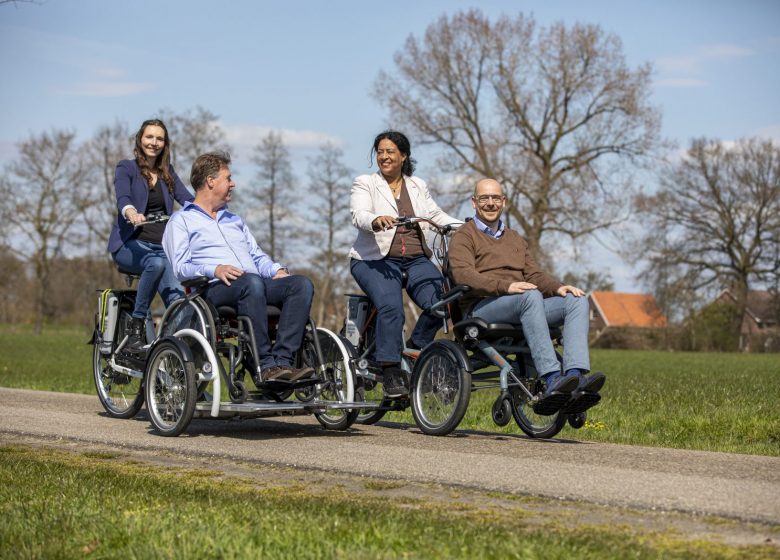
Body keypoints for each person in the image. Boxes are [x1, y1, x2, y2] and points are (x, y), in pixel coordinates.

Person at [448, 178, 606, 415]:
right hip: (481, 308)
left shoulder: (515, 238)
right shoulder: (464, 236)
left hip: (521, 303)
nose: (490, 203)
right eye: (484, 198)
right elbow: (464, 276)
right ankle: (552, 377)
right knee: (530, 296)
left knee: (577, 300)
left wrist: (558, 288)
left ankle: (573, 377)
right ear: (474, 202)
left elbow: (533, 274)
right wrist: (506, 287)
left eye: (495, 198)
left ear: (504, 202)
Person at [163, 151, 314, 384]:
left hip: (252, 283)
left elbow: (256, 255)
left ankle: (283, 363)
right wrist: (214, 269)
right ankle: (265, 366)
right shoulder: (181, 220)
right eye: (228, 178)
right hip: (212, 289)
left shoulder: (234, 220)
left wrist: (275, 271)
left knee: (300, 285)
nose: (233, 183)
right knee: (250, 283)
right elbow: (181, 267)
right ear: (210, 181)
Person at [349, 130, 461, 397]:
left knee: (444, 302)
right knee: (392, 307)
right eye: (380, 151)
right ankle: (390, 371)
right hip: (375, 260)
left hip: (415, 260)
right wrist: (375, 220)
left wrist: (464, 228)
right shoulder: (365, 183)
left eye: (390, 152)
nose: (384, 156)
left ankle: (415, 347)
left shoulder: (417, 185)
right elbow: (359, 213)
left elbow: (433, 214)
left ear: (403, 156)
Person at [108, 119, 194, 353]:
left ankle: (164, 354)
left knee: (181, 305)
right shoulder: (126, 168)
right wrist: (131, 212)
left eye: (159, 138)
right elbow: (123, 197)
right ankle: (135, 328)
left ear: (165, 144)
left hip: (161, 249)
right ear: (140, 139)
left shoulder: (168, 173)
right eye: (149, 137)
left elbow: (187, 200)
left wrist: (208, 211)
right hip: (130, 245)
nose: (153, 142)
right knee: (154, 264)